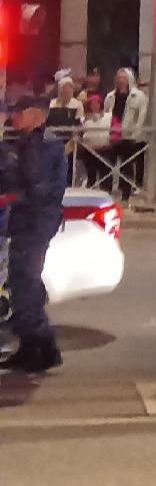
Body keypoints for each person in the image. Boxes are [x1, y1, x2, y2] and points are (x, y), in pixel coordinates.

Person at [1, 95, 69, 371]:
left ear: (35, 115)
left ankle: (41, 346)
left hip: (34, 223)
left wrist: (12, 192)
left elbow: (32, 183)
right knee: (24, 284)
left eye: (18, 112)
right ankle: (37, 347)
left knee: (24, 284)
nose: (13, 118)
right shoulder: (27, 143)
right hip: (27, 222)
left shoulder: (43, 145)